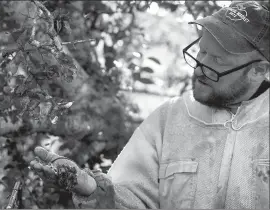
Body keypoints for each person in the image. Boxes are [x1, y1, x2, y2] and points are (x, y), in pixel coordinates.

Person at [29, 1, 269, 209]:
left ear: (258, 70)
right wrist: (92, 190)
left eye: (217, 60)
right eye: (202, 52)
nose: (200, 67)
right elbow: (131, 199)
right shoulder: (170, 118)